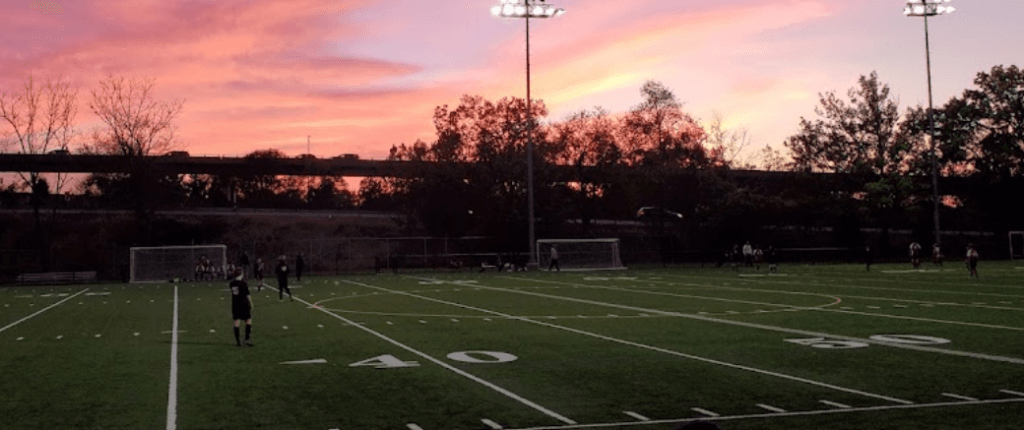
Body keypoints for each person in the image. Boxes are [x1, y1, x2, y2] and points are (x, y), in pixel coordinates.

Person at [229, 268, 254, 347]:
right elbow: (247, 294)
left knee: (236, 321)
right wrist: (251, 303)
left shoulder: (232, 283)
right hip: (243, 304)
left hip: (235, 304)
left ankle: (238, 341)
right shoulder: (243, 283)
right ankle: (246, 339)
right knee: (248, 320)